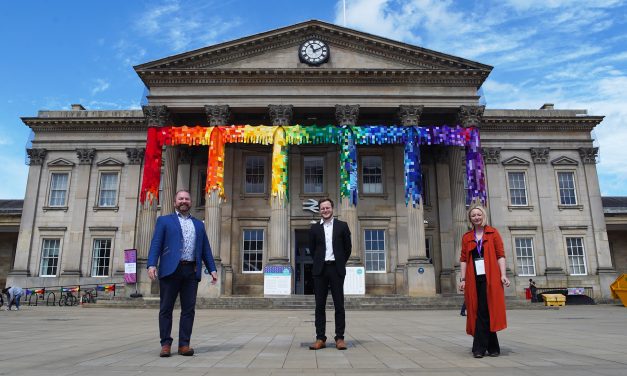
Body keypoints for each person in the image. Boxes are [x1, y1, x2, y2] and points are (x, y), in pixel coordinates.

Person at [147, 189, 218, 357]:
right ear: (174, 202)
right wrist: (151, 264)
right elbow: (156, 243)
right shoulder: (164, 221)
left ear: (191, 202)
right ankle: (165, 344)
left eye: (187, 198)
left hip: (191, 271)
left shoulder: (199, 224)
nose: (184, 201)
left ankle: (184, 345)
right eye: (180, 199)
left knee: (188, 310)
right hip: (171, 270)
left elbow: (205, 249)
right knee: (166, 308)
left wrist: (212, 269)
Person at [459, 203, 510, 358]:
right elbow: (463, 260)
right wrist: (463, 279)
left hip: (491, 277)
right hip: (474, 279)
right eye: (473, 215)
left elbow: (500, 255)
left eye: (479, 214)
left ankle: (479, 348)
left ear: (483, 215)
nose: (476, 217)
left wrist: (503, 275)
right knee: (479, 310)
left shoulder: (493, 233)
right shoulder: (467, 237)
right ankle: (493, 347)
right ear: (470, 218)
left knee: (487, 310)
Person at [308, 198, 352, 351]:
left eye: (327, 208)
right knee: (319, 306)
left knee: (339, 304)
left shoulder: (342, 226)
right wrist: (320, 261)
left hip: (336, 269)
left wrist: (339, 261)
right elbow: (312, 250)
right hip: (320, 270)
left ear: (332, 208)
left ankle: (340, 338)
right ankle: (320, 338)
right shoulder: (314, 229)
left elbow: (348, 248)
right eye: (322, 208)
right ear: (319, 210)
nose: (325, 210)